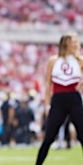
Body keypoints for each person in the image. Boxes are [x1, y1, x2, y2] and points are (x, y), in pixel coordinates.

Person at [36, 32, 83, 165]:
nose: (75, 44)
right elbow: (48, 84)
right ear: (65, 43)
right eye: (72, 41)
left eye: (76, 41)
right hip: (58, 100)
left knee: (82, 136)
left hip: (74, 99)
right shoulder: (53, 60)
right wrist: (47, 104)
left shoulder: (80, 61)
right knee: (49, 137)